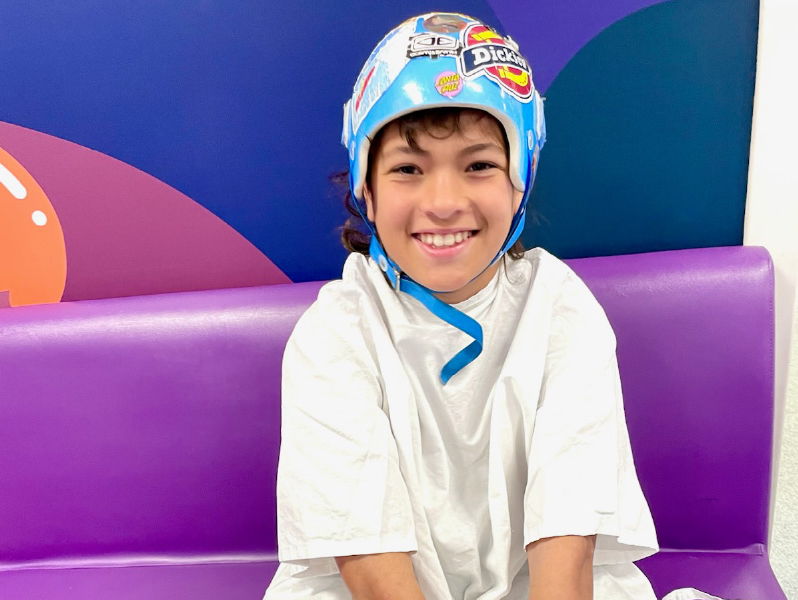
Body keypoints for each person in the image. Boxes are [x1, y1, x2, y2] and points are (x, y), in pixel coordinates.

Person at [264, 12, 694, 600]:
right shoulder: (336, 332)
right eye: (408, 169)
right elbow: (364, 551)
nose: (443, 202)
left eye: (480, 165)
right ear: (366, 185)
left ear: (522, 176)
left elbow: (568, 527)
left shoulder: (558, 305)